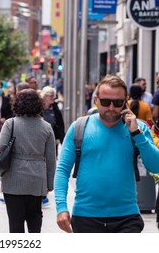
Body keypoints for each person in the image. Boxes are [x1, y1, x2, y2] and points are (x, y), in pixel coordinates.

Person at [54, 75, 159, 233]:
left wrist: (137, 134)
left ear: (125, 101)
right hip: (85, 217)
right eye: (105, 102)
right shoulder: (79, 128)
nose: (111, 107)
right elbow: (62, 170)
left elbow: (155, 166)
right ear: (96, 100)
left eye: (117, 103)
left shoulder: (139, 129)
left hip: (127, 217)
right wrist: (61, 207)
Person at [0, 89, 56, 233]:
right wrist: (49, 183)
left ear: (17, 104)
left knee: (15, 222)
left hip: (13, 177)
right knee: (35, 217)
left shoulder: (11, 124)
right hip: (37, 178)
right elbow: (51, 159)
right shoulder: (46, 127)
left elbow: (0, 145)